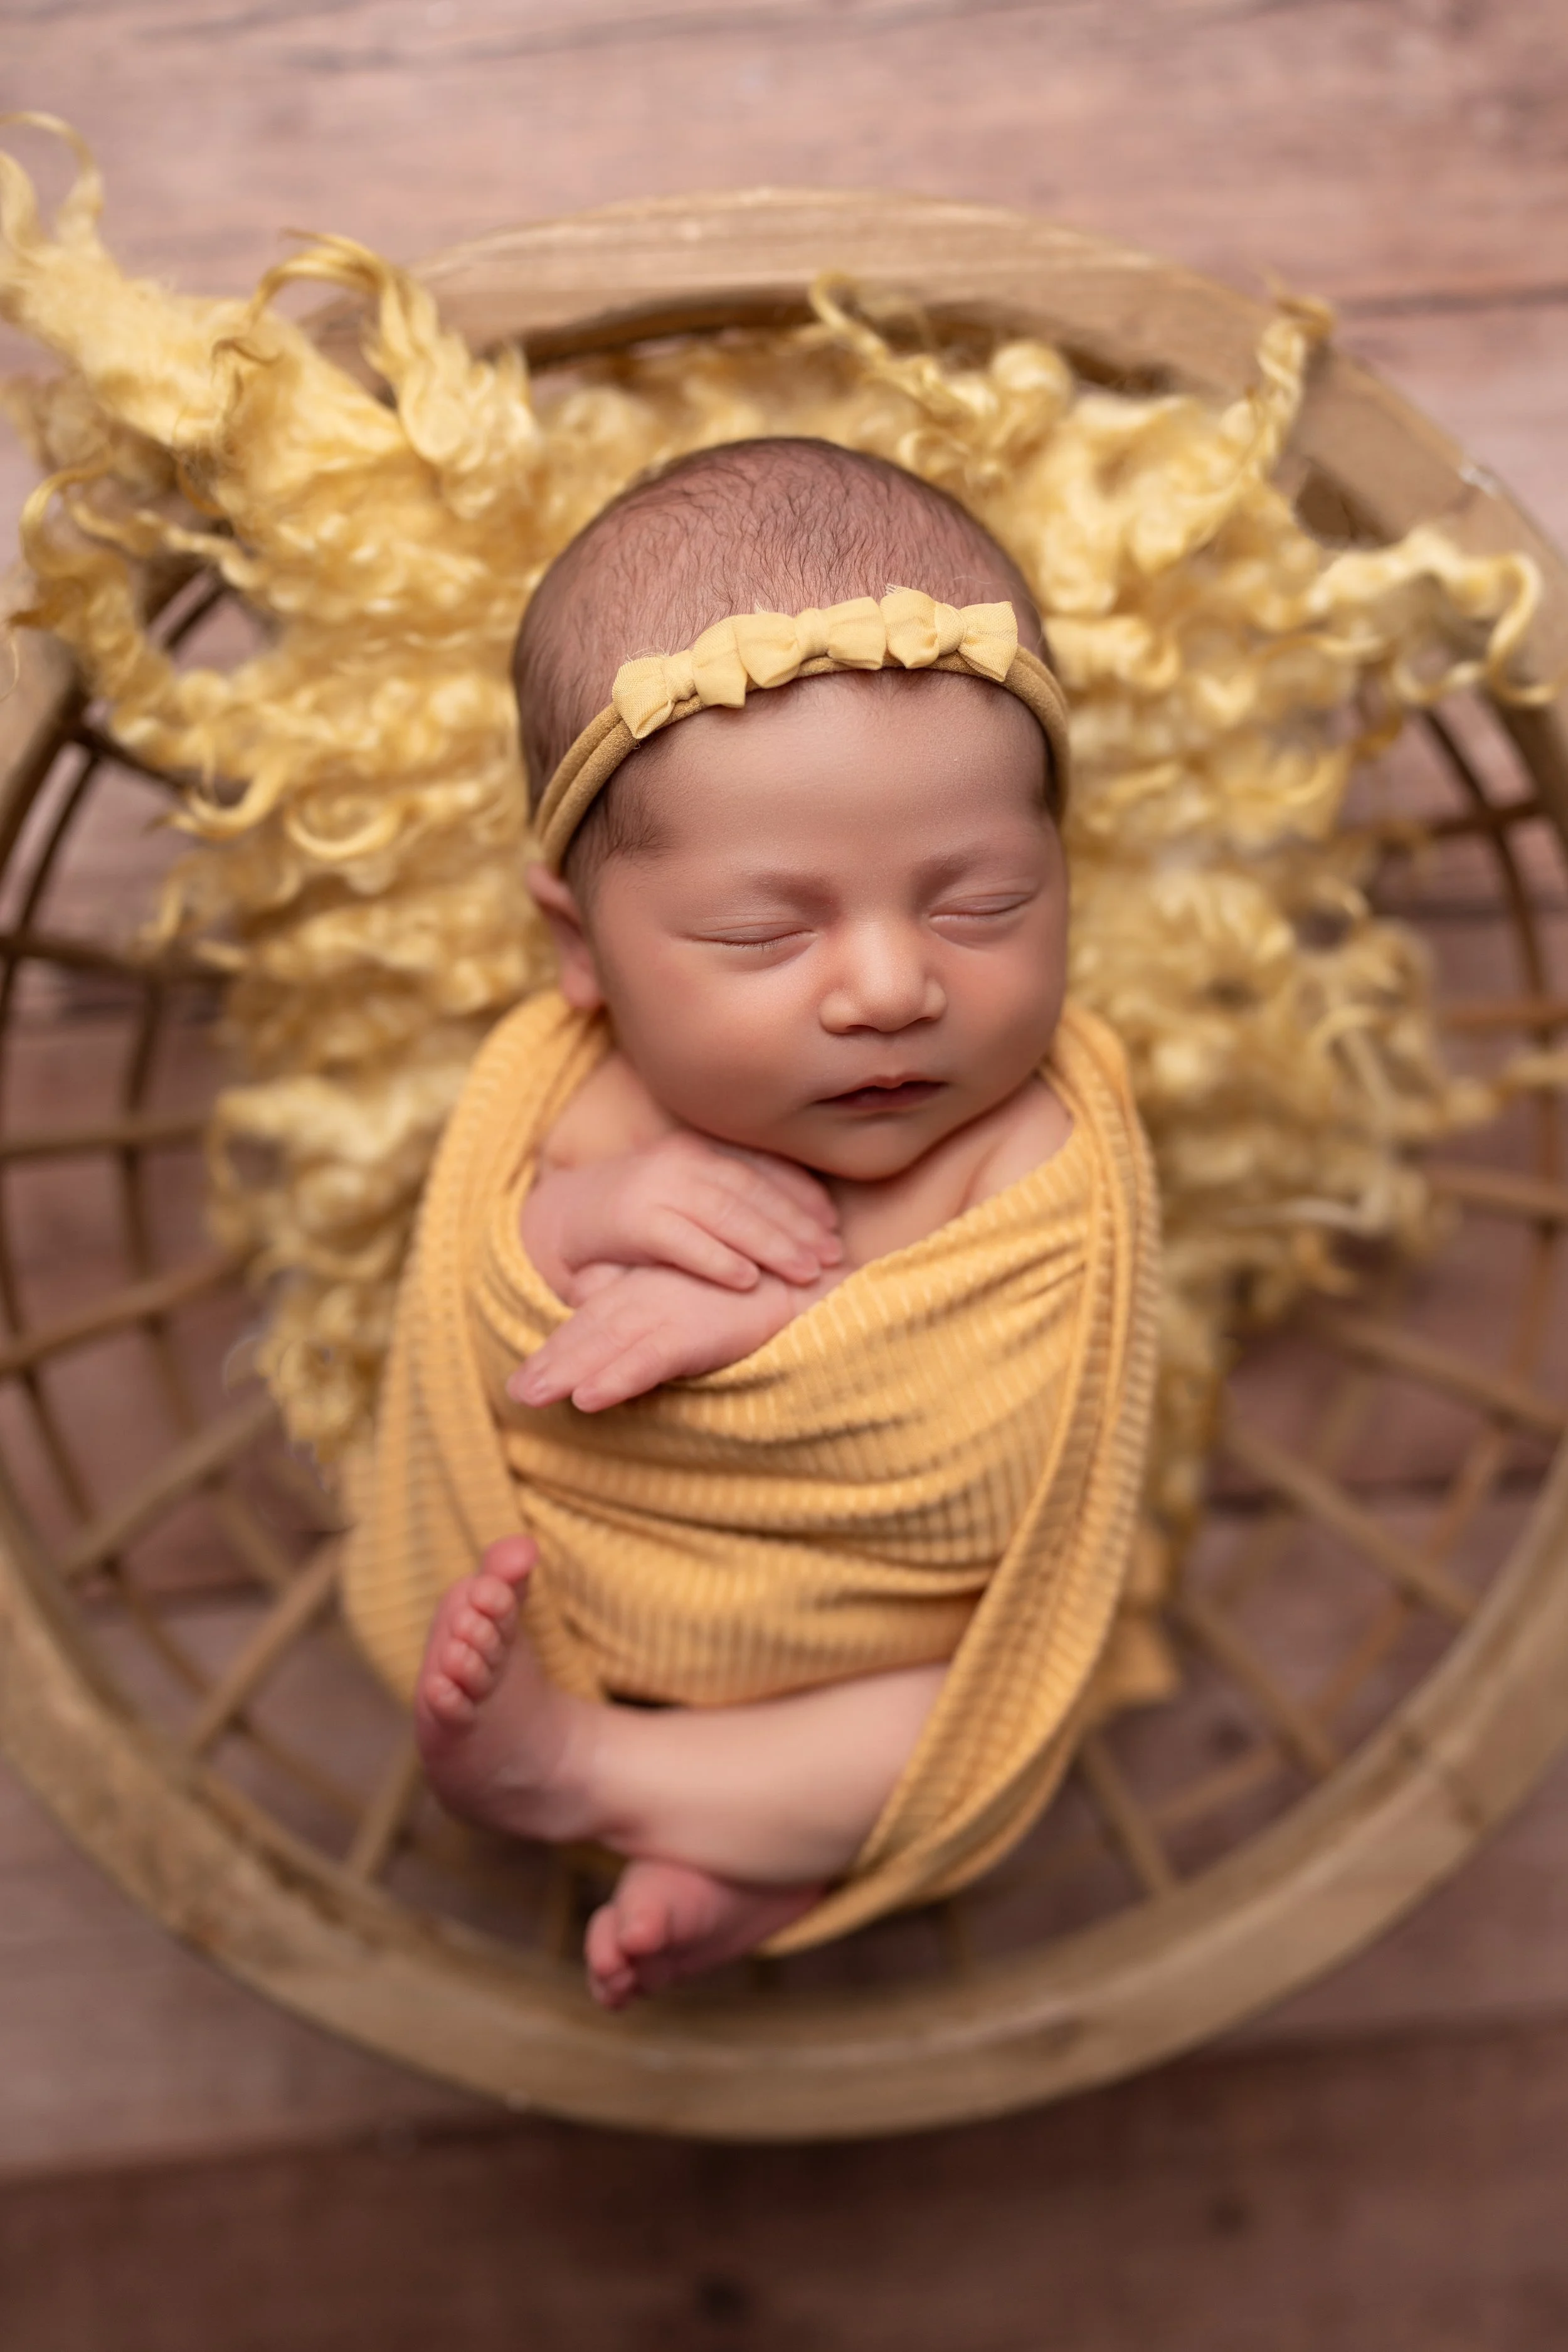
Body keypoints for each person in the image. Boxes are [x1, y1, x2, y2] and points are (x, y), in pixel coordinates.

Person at [341, 436, 1160, 2007]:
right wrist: (584, 1219)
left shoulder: (1037, 1135)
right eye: (761, 931)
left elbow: (1017, 1407)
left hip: (891, 1648)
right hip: (595, 1583)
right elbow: (485, 1298)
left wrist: (794, 1310)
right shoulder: (572, 1092)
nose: (887, 987)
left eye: (979, 900)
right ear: (581, 947)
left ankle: (584, 1775)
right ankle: (731, 1842)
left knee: (985, 1726)